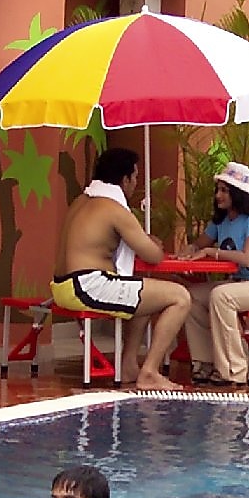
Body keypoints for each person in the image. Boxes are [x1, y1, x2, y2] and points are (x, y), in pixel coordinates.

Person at [58, 145, 190, 391]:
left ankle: (129, 364)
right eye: (135, 177)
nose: (135, 183)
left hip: (64, 287)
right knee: (180, 297)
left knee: (145, 292)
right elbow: (153, 255)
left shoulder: (82, 200)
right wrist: (150, 241)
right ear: (125, 179)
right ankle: (150, 372)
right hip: (88, 286)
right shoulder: (114, 208)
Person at [187, 162, 249, 387]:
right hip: (241, 283)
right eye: (218, 189)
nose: (218, 195)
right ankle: (205, 362)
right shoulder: (221, 221)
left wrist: (212, 252)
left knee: (221, 296)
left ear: (238, 194)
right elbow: (198, 245)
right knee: (191, 296)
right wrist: (188, 251)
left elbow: (247, 258)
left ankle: (235, 370)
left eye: (225, 190)